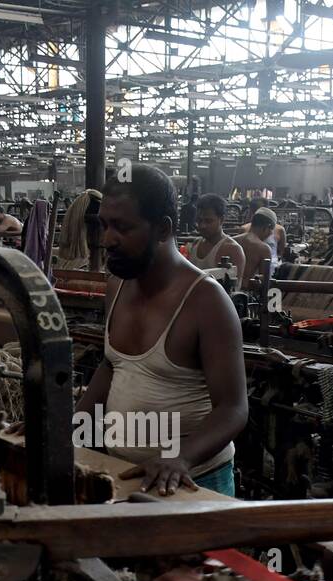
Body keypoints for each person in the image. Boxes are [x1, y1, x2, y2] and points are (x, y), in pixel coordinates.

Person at [82, 164, 247, 496]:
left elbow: (233, 409)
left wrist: (179, 458)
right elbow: (112, 365)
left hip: (192, 483)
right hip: (124, 474)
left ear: (162, 229)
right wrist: (66, 423)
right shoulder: (117, 286)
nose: (107, 239)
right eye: (104, 225)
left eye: (122, 227)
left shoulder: (206, 302)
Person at [185, 193, 245, 284]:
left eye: (208, 221)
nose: (202, 226)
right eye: (199, 220)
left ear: (222, 220)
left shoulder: (233, 249)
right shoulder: (195, 244)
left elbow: (235, 289)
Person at [233, 207, 277, 288]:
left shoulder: (232, 241)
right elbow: (264, 281)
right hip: (246, 293)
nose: (270, 235)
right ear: (266, 227)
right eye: (271, 231)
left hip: (225, 290)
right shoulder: (264, 249)